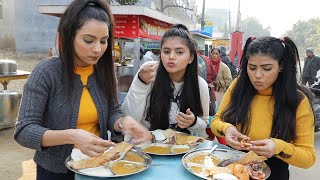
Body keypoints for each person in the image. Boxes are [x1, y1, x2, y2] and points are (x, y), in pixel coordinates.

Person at [14, 0, 150, 179]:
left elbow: (112, 111)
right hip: (55, 171)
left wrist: (122, 123)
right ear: (69, 36)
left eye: (104, 41)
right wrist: (71, 136)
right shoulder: (46, 72)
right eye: (88, 40)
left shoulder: (104, 71)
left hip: (98, 166)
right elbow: (24, 130)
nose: (97, 49)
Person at [210, 36, 316, 180]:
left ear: (281, 66)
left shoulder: (297, 100)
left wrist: (278, 147)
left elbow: (308, 158)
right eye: (252, 68)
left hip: (274, 173)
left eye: (267, 68)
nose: (257, 76)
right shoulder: (239, 86)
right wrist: (227, 129)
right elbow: (216, 121)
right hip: (233, 170)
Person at [122, 24, 209, 138]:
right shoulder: (149, 73)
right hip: (144, 145)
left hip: (180, 149)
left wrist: (193, 122)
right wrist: (141, 83)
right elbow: (129, 117)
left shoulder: (199, 84)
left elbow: (204, 123)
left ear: (191, 57)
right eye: (167, 52)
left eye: (179, 52)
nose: (171, 57)